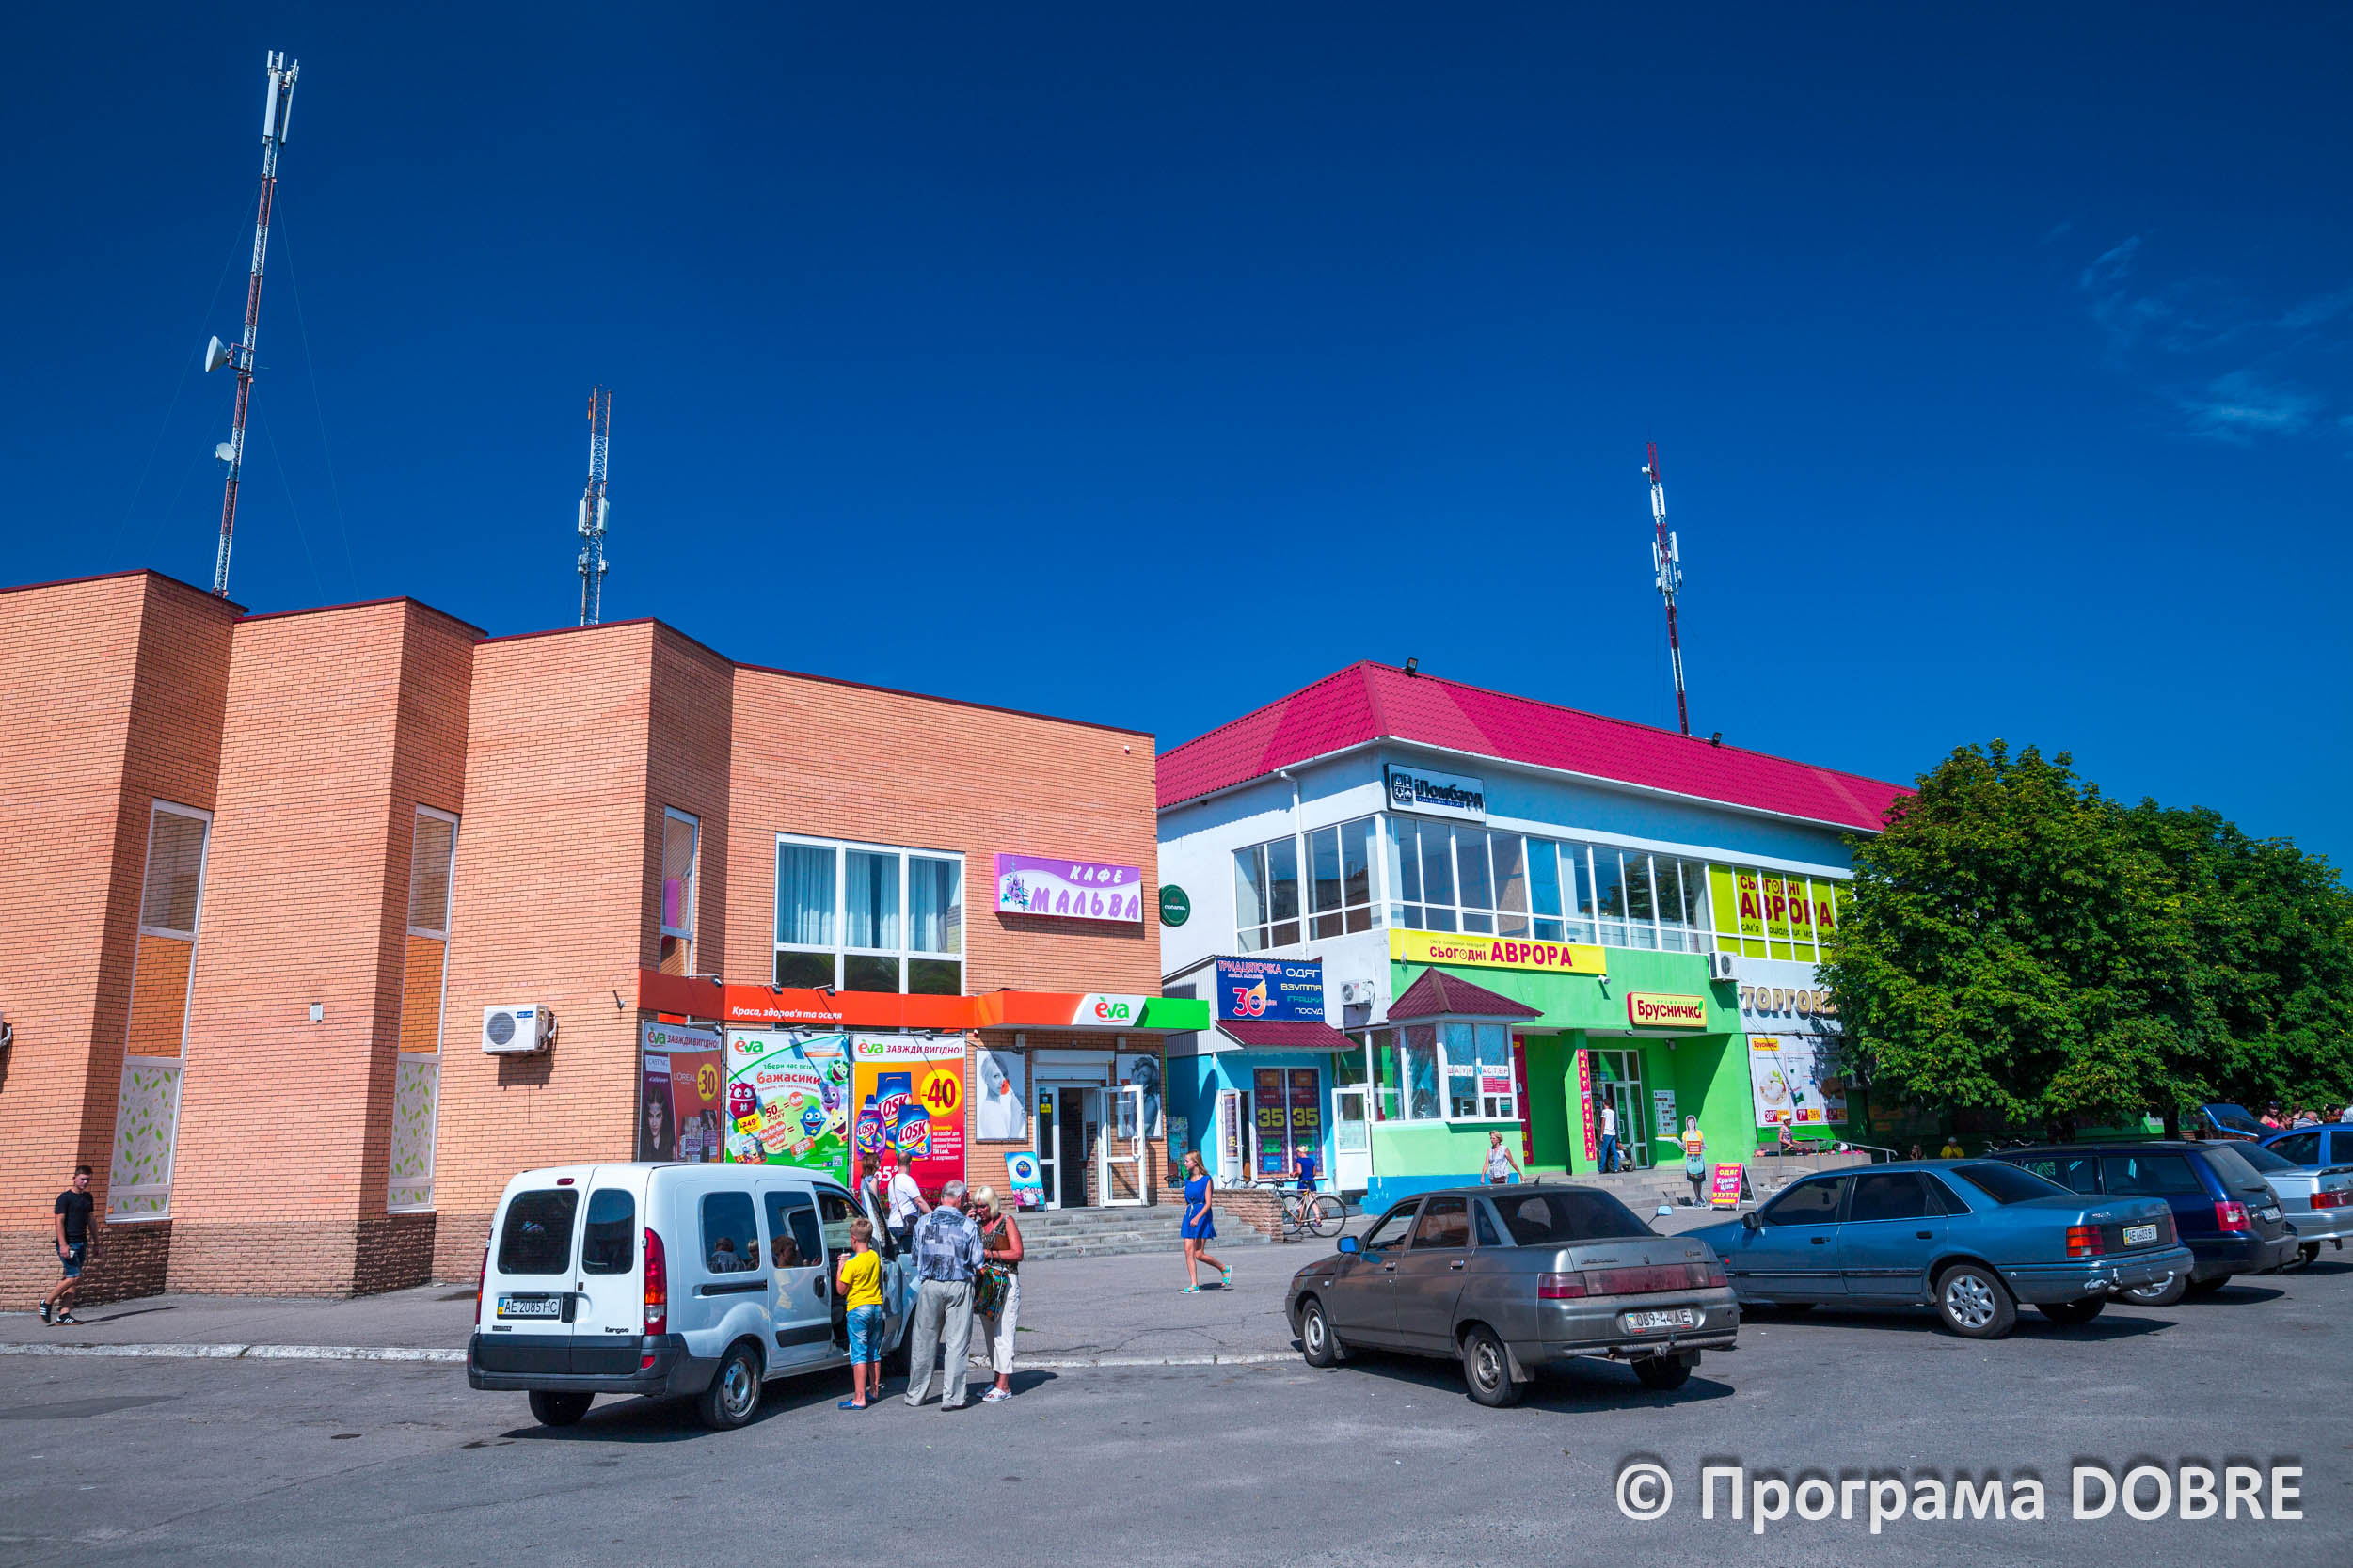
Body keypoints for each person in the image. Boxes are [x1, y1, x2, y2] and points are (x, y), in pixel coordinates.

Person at [902, 1180, 982, 1412]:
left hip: (930, 1285)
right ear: (960, 1199)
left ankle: (916, 1394)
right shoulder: (968, 1225)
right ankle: (953, 1397)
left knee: (923, 1341)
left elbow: (915, 1257)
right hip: (958, 1284)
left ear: (942, 1197)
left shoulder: (923, 1223)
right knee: (957, 1342)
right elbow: (977, 1261)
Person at [968, 1185, 1024, 1404]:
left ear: (991, 1204)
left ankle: (1004, 1385)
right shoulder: (977, 1226)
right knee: (990, 1334)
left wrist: (988, 1254)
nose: (979, 1210)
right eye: (976, 1206)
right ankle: (996, 1379)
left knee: (1004, 1332)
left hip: (1005, 1282)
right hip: (986, 1284)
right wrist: (967, 1222)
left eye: (982, 1206)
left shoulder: (1006, 1221)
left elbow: (1017, 1253)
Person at [835, 1217, 885, 1410]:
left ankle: (859, 1397)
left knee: (859, 1354)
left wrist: (841, 1267)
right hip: (875, 1307)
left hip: (858, 1310)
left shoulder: (852, 1263)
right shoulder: (874, 1257)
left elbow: (841, 1289)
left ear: (853, 1239)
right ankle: (874, 1390)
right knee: (873, 1351)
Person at [41, 1164, 94, 1326]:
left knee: (72, 1279)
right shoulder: (64, 1198)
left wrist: (97, 1242)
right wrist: (63, 1244)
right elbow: (59, 1221)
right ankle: (47, 1302)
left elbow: (91, 1220)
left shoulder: (88, 1198)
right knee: (74, 1276)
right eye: (82, 1179)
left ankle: (64, 1315)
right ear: (74, 1179)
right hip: (69, 1244)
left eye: (88, 1180)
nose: (85, 1182)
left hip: (82, 1242)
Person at [1178, 1151, 1229, 1293]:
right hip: (1189, 1215)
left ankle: (1223, 1268)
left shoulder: (1206, 1179)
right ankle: (1194, 1285)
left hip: (1202, 1215)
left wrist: (1197, 1217)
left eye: (1187, 1161)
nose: (1184, 1163)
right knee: (1188, 1251)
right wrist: (1187, 1212)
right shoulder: (1187, 1180)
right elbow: (1187, 1200)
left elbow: (1208, 1203)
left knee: (1199, 1254)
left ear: (1195, 1162)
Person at [884, 1157, 930, 1249]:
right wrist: (934, 1215)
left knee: (902, 1252)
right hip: (905, 1225)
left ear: (897, 1163)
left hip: (893, 1224)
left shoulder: (892, 1181)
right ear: (910, 1163)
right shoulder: (907, 1180)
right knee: (909, 1254)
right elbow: (919, 1201)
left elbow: (890, 1205)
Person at [1681, 1118, 1707, 1206]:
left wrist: (1703, 1146)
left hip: (1698, 1159)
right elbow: (1684, 1147)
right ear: (1687, 1123)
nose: (1691, 1123)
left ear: (1695, 1123)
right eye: (1689, 1122)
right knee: (1694, 1180)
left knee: (1699, 1179)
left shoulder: (1699, 1133)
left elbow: (1703, 1144)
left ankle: (1699, 1197)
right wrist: (1676, 1142)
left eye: (1692, 1122)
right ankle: (1698, 1198)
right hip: (1690, 1160)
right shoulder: (1685, 1134)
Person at [1598, 1100, 1620, 1173]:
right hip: (1612, 1133)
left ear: (1604, 1103)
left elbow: (1603, 1123)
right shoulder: (1613, 1112)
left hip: (1606, 1133)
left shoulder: (1604, 1111)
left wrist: (1601, 1134)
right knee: (1614, 1151)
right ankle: (1616, 1167)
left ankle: (1601, 1169)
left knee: (1604, 1151)